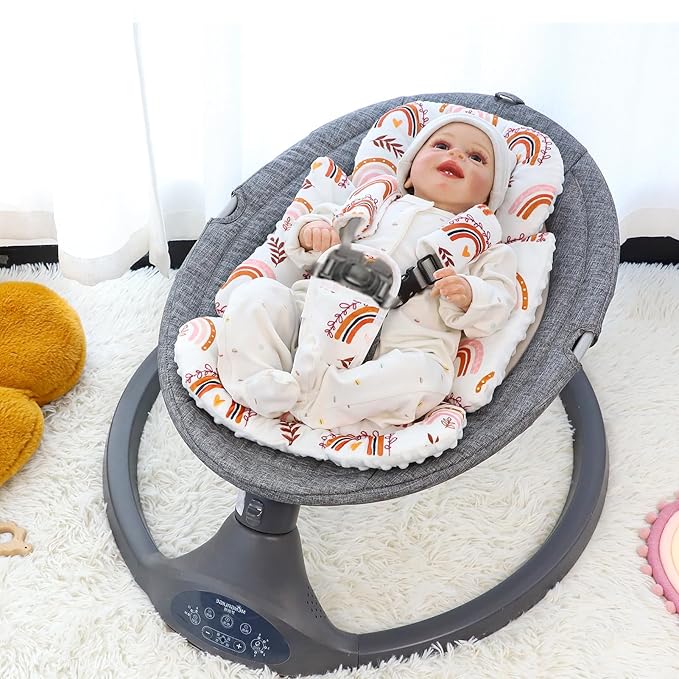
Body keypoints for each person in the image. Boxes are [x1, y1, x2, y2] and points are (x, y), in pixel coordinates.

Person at [217, 112, 518, 429]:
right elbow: (315, 234)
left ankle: (323, 399)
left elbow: (499, 301)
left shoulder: (485, 245)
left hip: (399, 348)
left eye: (476, 157)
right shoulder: (373, 205)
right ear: (409, 175)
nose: (456, 155)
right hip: (311, 323)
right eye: (441, 145)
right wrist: (312, 232)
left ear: (489, 196)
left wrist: (470, 295)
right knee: (256, 294)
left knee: (428, 378)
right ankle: (259, 379)